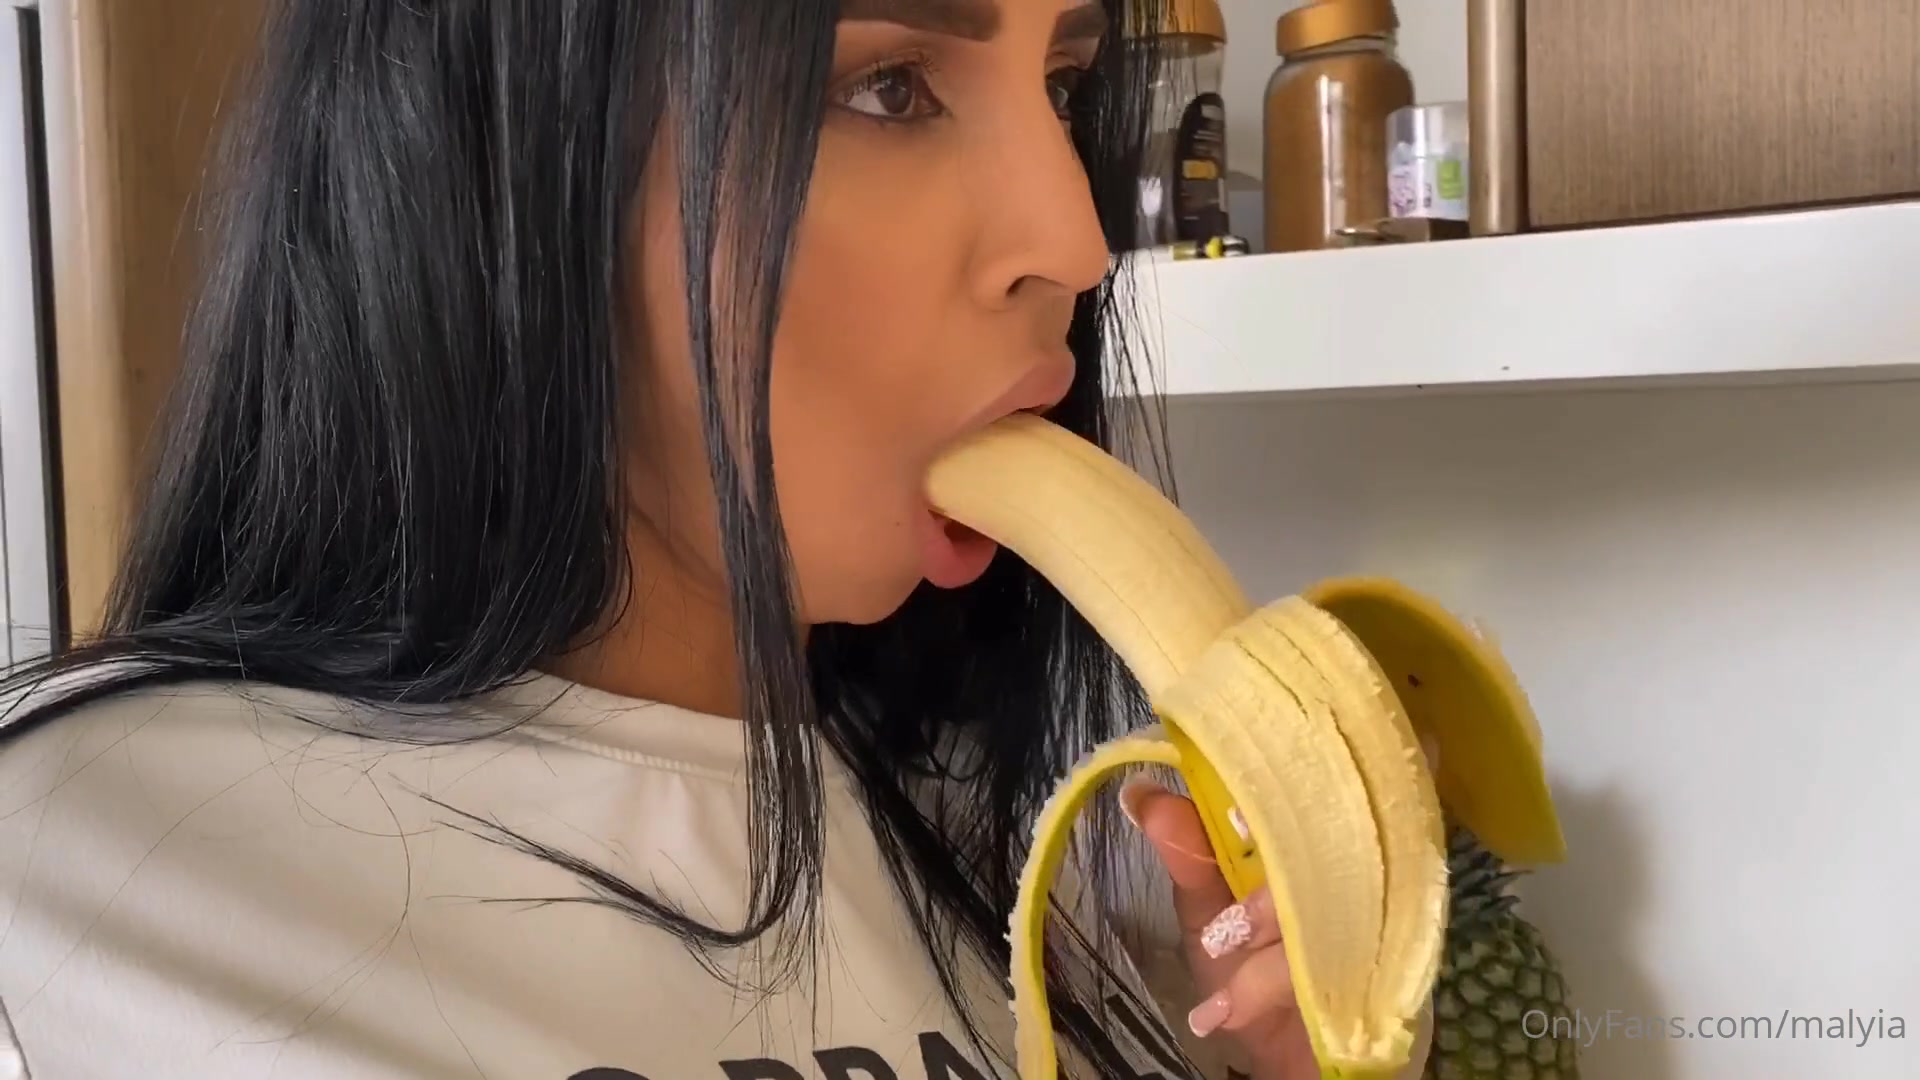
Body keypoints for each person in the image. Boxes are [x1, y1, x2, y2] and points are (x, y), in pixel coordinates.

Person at [0, 2, 1431, 1077]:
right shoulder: (74, 894)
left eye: (1063, 84)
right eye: (890, 85)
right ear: (504, 150)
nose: (1073, 239)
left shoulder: (1039, 871)